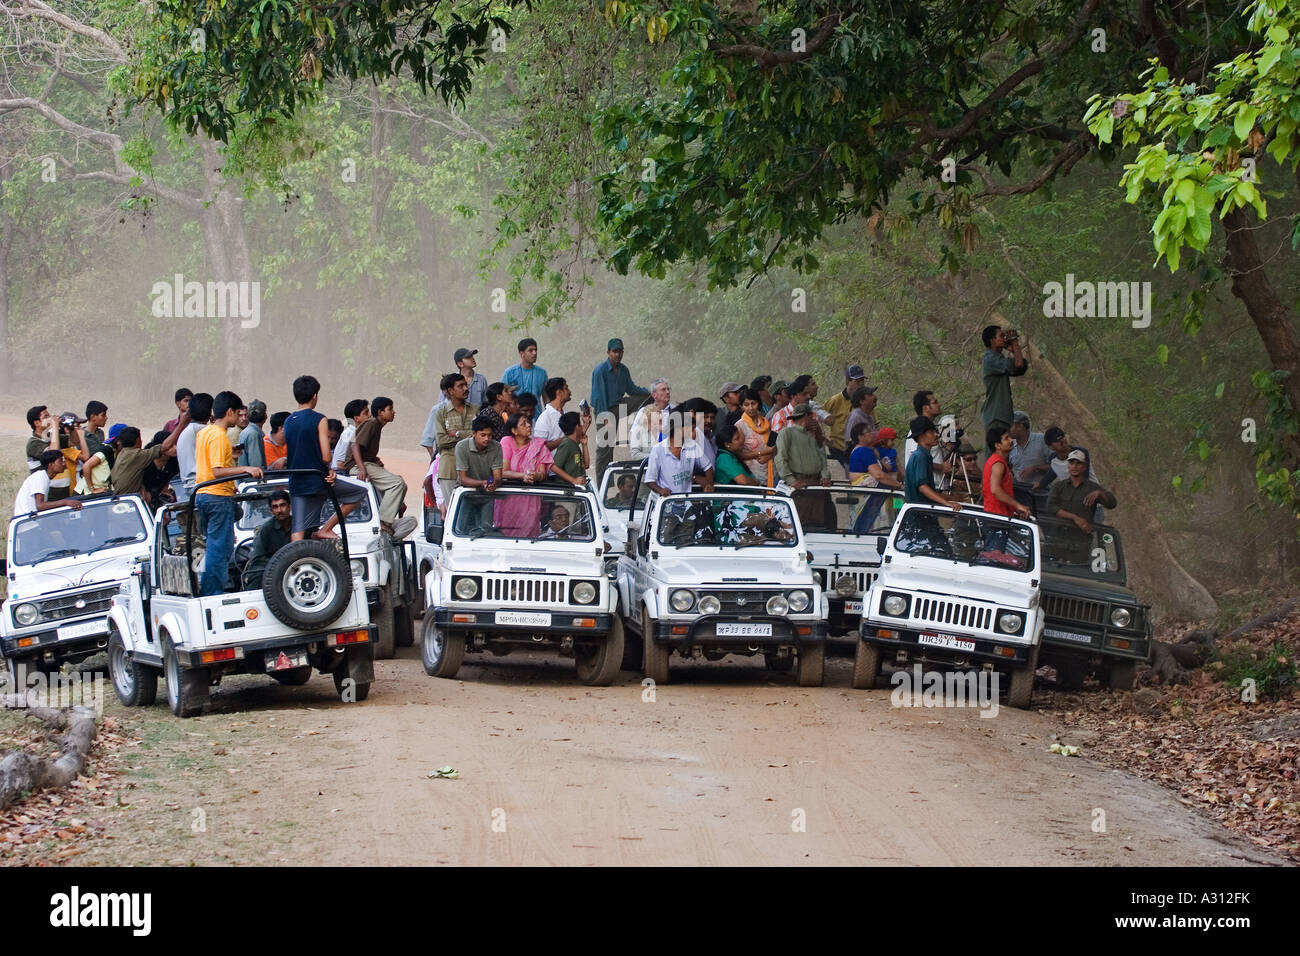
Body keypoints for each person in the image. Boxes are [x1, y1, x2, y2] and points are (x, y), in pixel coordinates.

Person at [194, 391, 263, 596]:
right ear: (230, 412)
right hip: (217, 497)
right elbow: (217, 471)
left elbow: (208, 467)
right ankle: (213, 593)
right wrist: (245, 469)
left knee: (212, 545)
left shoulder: (204, 432)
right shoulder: (219, 435)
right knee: (220, 549)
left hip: (203, 494)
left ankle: (208, 587)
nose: (241, 418)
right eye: (238, 413)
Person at [284, 375, 367, 541]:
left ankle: (295, 566)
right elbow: (326, 455)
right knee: (359, 492)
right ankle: (326, 528)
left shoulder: (288, 421)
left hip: (296, 481)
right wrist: (329, 468)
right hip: (317, 480)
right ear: (315, 396)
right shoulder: (319, 419)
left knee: (298, 530)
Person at [591, 337, 651, 476]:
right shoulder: (600, 371)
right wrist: (605, 418)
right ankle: (603, 486)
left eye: (620, 351)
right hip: (604, 410)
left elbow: (631, 389)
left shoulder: (623, 370)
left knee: (648, 397)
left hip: (619, 406)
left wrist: (648, 392)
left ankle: (646, 422)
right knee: (605, 447)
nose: (618, 354)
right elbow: (599, 397)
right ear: (608, 352)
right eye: (615, 351)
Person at [354, 396, 407, 535]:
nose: (394, 412)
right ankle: (382, 522)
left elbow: (366, 451)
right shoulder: (371, 423)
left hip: (368, 463)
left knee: (402, 484)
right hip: (357, 465)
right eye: (390, 409)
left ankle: (391, 514)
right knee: (397, 483)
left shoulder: (377, 426)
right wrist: (361, 468)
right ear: (380, 412)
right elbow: (355, 446)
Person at [497, 412, 553, 536]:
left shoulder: (539, 445)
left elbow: (542, 474)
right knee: (507, 535)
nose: (529, 425)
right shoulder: (506, 442)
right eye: (523, 424)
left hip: (531, 497)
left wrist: (535, 475)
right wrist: (523, 476)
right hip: (509, 497)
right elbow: (503, 471)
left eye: (528, 422)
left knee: (528, 534)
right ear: (514, 430)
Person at [432, 373, 479, 508]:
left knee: (471, 511)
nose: (466, 388)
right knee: (453, 510)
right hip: (450, 469)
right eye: (461, 386)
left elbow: (480, 437)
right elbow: (441, 441)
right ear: (450, 391)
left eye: (466, 385)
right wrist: (469, 435)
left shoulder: (475, 410)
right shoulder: (441, 413)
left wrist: (457, 434)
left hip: (472, 468)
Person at [1048, 450, 1118, 534]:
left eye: (1078, 463)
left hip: (1082, 537)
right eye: (1071, 463)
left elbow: (1112, 504)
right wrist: (1075, 518)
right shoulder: (1058, 486)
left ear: (1084, 466)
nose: (1075, 466)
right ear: (1068, 466)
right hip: (1058, 535)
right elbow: (1051, 507)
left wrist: (1100, 494)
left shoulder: (1092, 487)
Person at [981, 324, 1029, 441]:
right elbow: (1018, 364)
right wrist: (1014, 343)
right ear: (992, 340)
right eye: (1001, 336)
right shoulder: (990, 359)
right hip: (996, 415)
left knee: (1003, 451)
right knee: (996, 451)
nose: (1005, 338)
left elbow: (1021, 367)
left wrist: (1014, 350)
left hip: (1001, 415)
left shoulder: (998, 359)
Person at [905, 416, 962, 511]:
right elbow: (923, 488)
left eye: (935, 431)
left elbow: (931, 491)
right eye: (931, 432)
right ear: (921, 436)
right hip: (919, 515)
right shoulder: (920, 456)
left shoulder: (924, 456)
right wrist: (946, 503)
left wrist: (951, 499)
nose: (936, 434)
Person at [644, 415, 711, 496]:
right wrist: (661, 490)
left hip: (686, 502)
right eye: (691, 429)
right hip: (665, 502)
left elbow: (708, 467)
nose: (693, 432)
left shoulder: (692, 445)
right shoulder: (658, 450)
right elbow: (650, 480)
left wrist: (709, 485)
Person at [903, 390, 953, 491]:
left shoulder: (933, 430)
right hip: (927, 489)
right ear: (925, 408)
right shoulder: (919, 430)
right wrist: (941, 467)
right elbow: (916, 461)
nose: (939, 405)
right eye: (935, 402)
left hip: (938, 486)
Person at [243, 489, 293, 588]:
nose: (279, 510)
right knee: (256, 575)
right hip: (272, 570)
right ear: (271, 511)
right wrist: (279, 564)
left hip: (299, 567)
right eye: (275, 507)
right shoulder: (265, 529)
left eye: (282, 505)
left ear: (289, 507)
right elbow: (257, 558)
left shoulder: (300, 526)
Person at [775, 402, 830, 489]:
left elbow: (821, 457)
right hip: (799, 483)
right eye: (812, 417)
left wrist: (825, 476)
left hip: (817, 482)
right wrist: (791, 480)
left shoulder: (811, 434)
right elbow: (780, 459)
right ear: (806, 416)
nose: (813, 419)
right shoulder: (787, 433)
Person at [821, 364, 866, 468]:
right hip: (838, 449)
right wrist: (825, 440)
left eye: (862, 381)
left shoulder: (865, 401)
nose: (861, 384)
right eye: (857, 381)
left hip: (859, 448)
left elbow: (875, 425)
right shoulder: (835, 400)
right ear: (848, 381)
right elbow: (818, 417)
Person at [981, 427, 1032, 518]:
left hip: (998, 516)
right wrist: (1017, 505)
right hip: (997, 518)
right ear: (998, 445)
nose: (1011, 440)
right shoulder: (998, 464)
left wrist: (1016, 509)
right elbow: (995, 490)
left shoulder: (997, 461)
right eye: (1006, 438)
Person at [14, 450, 82, 515]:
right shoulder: (41, 477)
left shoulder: (44, 477)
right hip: (26, 519)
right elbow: (40, 506)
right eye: (60, 461)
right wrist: (65, 502)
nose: (63, 464)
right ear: (51, 464)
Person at [107, 426, 165, 498]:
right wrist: (181, 425)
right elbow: (163, 448)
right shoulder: (135, 455)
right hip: (129, 498)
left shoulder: (123, 453)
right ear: (138, 440)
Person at [735, 388, 776, 486]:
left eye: (753, 403)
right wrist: (761, 453)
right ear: (741, 406)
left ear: (759, 403)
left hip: (771, 472)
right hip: (753, 475)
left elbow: (772, 446)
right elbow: (739, 455)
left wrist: (769, 455)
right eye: (746, 404)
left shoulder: (765, 423)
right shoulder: (739, 426)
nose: (750, 408)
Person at [177, 392, 214, 499]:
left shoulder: (189, 430)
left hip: (191, 486)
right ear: (209, 412)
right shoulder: (201, 429)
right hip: (200, 485)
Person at [455, 415, 505, 490]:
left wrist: (494, 484)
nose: (487, 439)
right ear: (474, 433)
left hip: (488, 494)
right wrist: (483, 483)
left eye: (490, 435)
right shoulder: (462, 447)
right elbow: (463, 479)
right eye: (483, 435)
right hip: (466, 492)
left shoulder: (496, 447)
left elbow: (497, 477)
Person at [629, 378, 672, 458]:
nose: (667, 392)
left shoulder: (677, 411)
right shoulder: (644, 411)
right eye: (663, 390)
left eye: (668, 389)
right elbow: (633, 434)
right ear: (654, 395)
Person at [501, 337, 547, 411]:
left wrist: (548, 415)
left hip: (537, 417)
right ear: (522, 354)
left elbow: (546, 397)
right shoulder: (510, 372)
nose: (534, 353)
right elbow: (502, 395)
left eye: (535, 350)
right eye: (530, 350)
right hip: (516, 418)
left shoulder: (542, 373)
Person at [1008, 410, 1051, 484]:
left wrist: (1036, 468)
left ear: (1020, 426)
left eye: (1010, 426)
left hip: (1042, 491)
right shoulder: (1009, 446)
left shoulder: (1041, 440)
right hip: (1020, 491)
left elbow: (1055, 464)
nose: (1008, 429)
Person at [331, 399, 369, 474]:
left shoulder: (358, 433)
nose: (369, 415)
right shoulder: (349, 434)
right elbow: (340, 464)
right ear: (356, 418)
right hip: (341, 474)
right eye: (366, 413)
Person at [550, 412, 589, 487]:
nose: (581, 426)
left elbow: (586, 465)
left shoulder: (573, 444)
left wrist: (584, 445)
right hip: (567, 491)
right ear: (577, 427)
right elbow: (554, 467)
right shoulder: (567, 444)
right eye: (580, 424)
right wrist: (573, 480)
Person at [533, 377, 571, 450]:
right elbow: (539, 447)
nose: (569, 391)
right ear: (559, 392)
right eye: (566, 388)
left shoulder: (566, 414)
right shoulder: (544, 418)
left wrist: (586, 424)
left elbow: (574, 440)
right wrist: (565, 439)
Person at [238, 400, 268, 469]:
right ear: (265, 416)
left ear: (248, 416)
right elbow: (257, 466)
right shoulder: (254, 434)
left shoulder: (246, 431)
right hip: (251, 479)